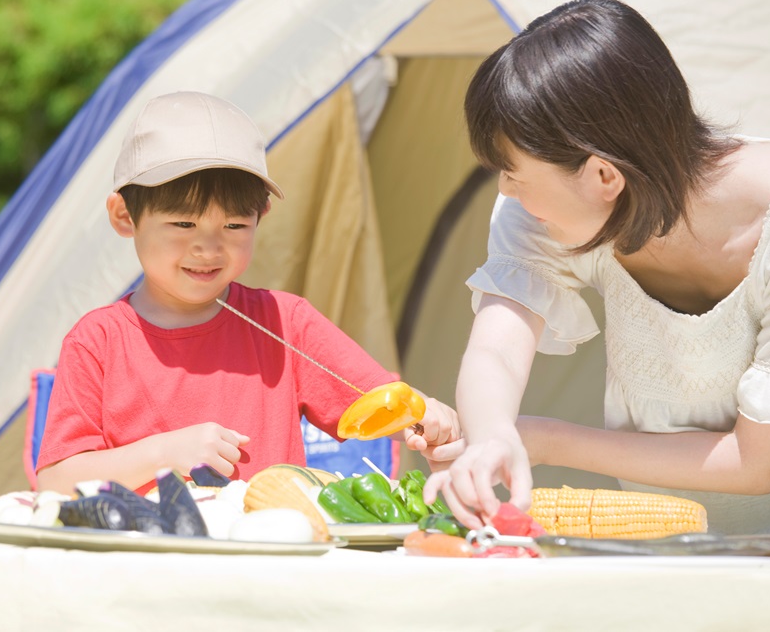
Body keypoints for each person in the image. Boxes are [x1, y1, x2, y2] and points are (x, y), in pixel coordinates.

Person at [422, 0, 770, 535]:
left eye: (514, 173)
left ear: (603, 176)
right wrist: (494, 431)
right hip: (661, 550)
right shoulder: (553, 212)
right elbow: (497, 345)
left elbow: (757, 464)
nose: (504, 190)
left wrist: (547, 439)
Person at [36, 91, 460, 495]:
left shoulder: (284, 321)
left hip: (268, 558)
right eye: (183, 224)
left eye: (234, 226)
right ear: (125, 215)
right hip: (144, 564)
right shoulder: (98, 340)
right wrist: (162, 453)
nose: (207, 247)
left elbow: (382, 404)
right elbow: (55, 482)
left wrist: (427, 416)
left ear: (261, 217)